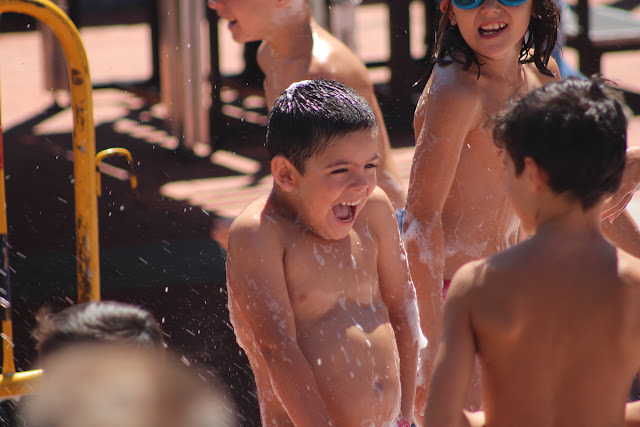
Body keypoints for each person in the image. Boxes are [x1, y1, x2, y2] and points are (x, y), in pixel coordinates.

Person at [402, 0, 640, 416]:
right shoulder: (457, 92)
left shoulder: (541, 73)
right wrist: (430, 347)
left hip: (526, 286)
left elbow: (577, 195)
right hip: (458, 300)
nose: (491, 7)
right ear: (449, 9)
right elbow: (421, 222)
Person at [226, 79, 423, 426]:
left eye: (370, 166)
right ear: (287, 174)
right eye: (340, 170)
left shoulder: (373, 210)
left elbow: (402, 310)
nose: (361, 184)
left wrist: (406, 414)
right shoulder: (260, 235)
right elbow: (277, 348)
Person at [206, 0, 405, 216]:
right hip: (333, 209)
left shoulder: (322, 72)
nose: (214, 4)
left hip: (371, 218)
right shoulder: (269, 55)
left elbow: (356, 182)